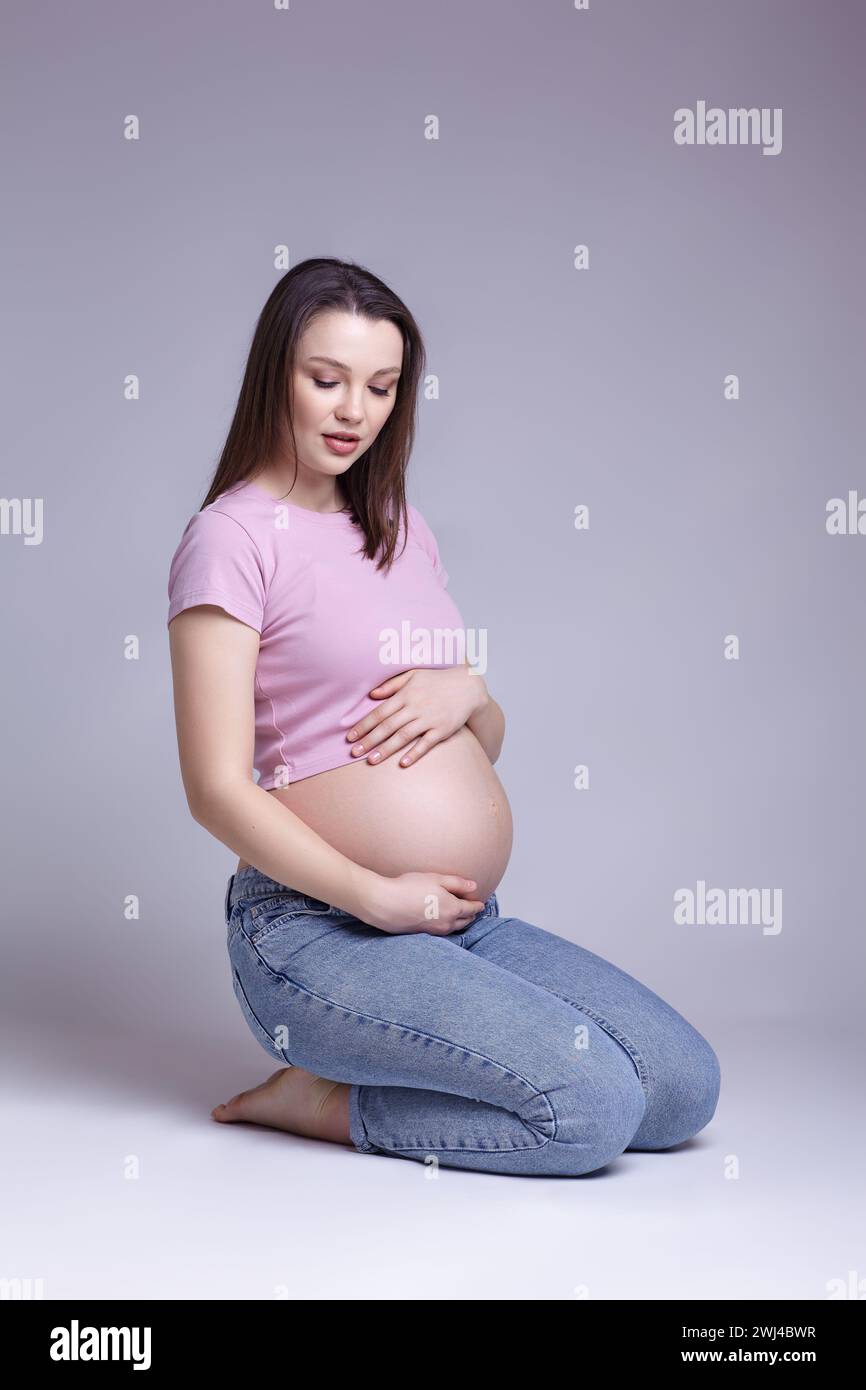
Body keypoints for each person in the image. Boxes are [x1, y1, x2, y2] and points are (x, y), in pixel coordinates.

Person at [166, 257, 720, 1177]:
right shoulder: (228, 540)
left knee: (680, 1088)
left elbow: (466, 745)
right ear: (276, 374)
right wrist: (375, 895)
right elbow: (214, 790)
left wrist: (475, 695)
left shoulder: (397, 524)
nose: (355, 410)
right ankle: (328, 1102)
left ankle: (395, 1067)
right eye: (326, 380)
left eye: (380, 387)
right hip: (317, 930)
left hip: (456, 920)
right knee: (591, 1110)